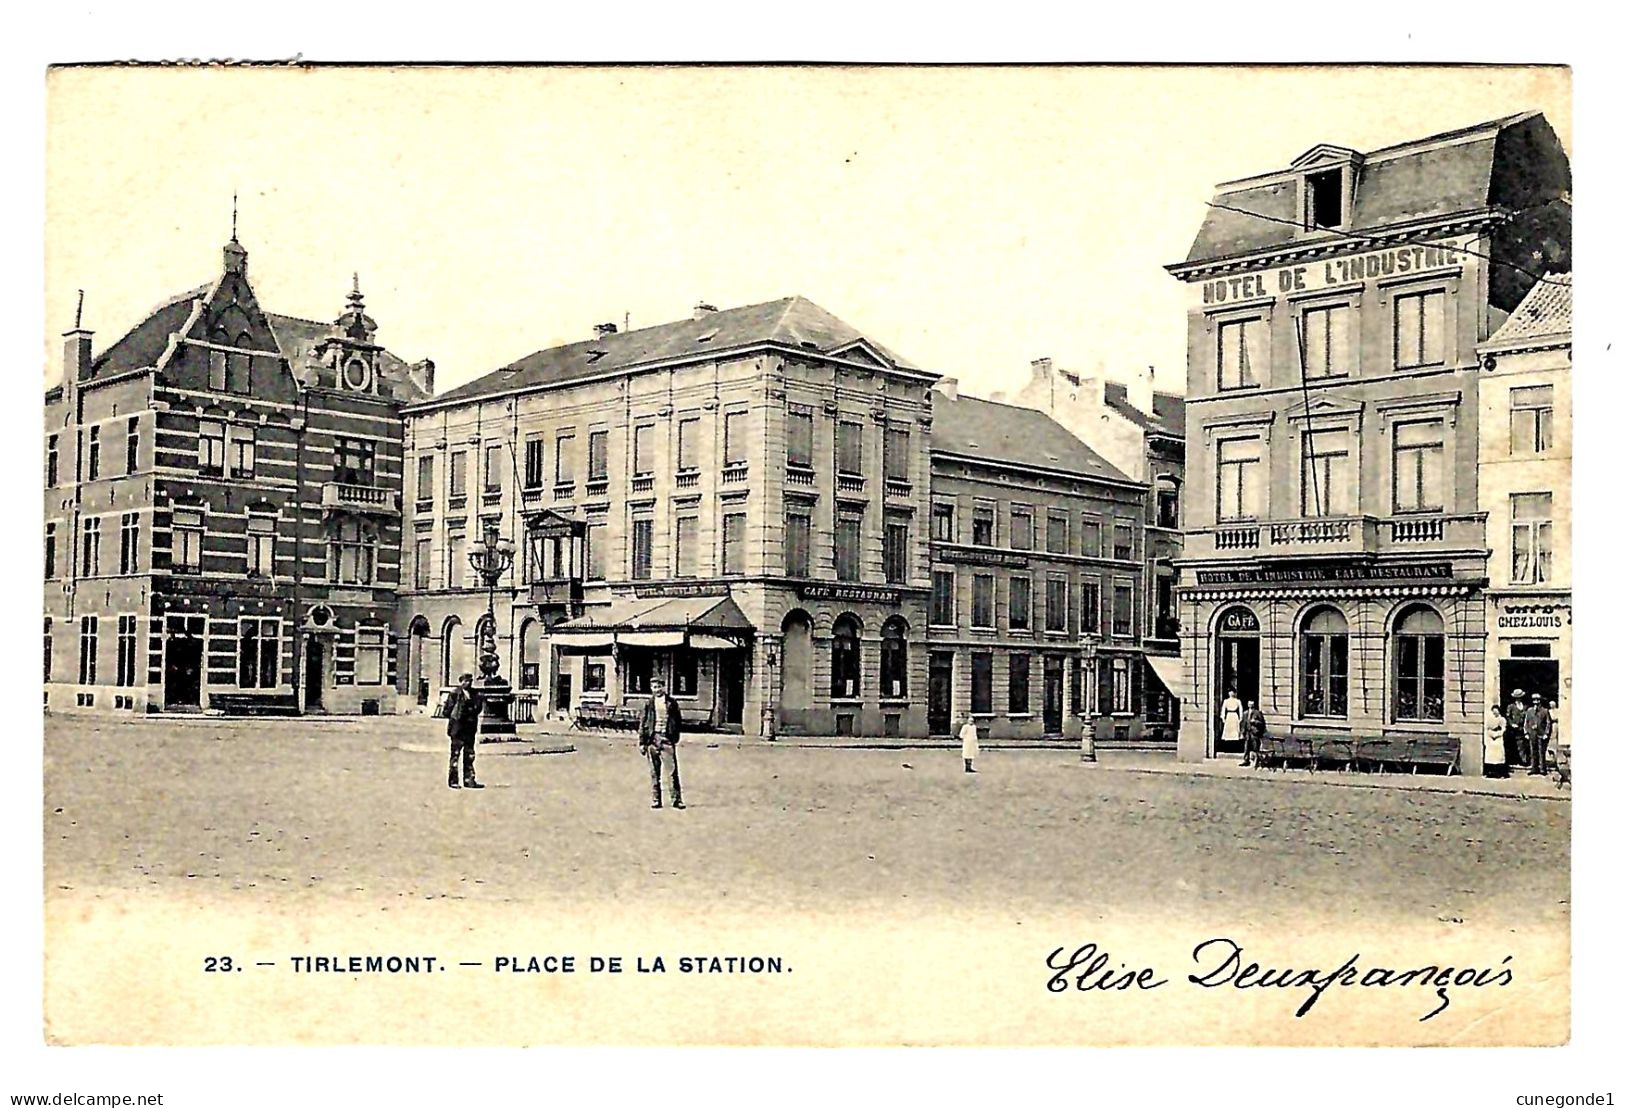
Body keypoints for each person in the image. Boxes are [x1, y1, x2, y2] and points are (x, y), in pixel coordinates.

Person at [639, 676, 685, 809]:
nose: (657, 689)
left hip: (667, 740)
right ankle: (656, 800)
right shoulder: (648, 704)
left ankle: (676, 800)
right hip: (652, 740)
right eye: (654, 687)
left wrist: (674, 737)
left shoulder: (671, 703)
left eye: (659, 686)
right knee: (654, 772)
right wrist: (642, 742)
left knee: (672, 771)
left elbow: (678, 721)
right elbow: (643, 723)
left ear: (664, 687)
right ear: (651, 688)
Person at [444, 673, 484, 789]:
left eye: (470, 681)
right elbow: (446, 711)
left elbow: (478, 707)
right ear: (460, 682)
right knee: (455, 756)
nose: (468, 683)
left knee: (469, 755)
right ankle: (453, 781)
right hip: (457, 729)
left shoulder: (474, 694)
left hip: (469, 729)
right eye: (465, 681)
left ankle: (469, 780)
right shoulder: (455, 694)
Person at [1524, 692, 1552, 777]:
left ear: (1540, 701)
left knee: (1541, 751)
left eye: (1537, 700)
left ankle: (1542, 769)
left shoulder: (1545, 711)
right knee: (1533, 751)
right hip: (1532, 733)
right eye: (1534, 700)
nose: (1536, 702)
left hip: (1541, 733)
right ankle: (1534, 768)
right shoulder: (1529, 711)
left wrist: (1546, 733)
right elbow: (1526, 722)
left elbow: (1548, 723)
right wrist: (1526, 732)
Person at [1483, 705, 1508, 779]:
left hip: (1498, 739)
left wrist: (1497, 734)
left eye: (1496, 711)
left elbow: (1503, 729)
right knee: (1490, 756)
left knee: (1499, 756)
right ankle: (1490, 773)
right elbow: (1487, 728)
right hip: (1490, 739)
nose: (1495, 713)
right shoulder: (1490, 719)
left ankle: (1500, 773)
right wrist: (1491, 734)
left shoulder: (1502, 719)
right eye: (1493, 711)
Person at [1504, 689, 1527, 768]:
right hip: (1513, 729)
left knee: (1522, 744)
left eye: (1520, 697)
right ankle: (1513, 761)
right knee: (1513, 745)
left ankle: (1523, 760)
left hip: (1521, 728)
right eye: (1517, 697)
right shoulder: (1511, 706)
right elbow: (1508, 717)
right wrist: (1511, 724)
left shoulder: (1524, 706)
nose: (1519, 699)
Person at [1242, 701, 1267, 767]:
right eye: (1249, 704)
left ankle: (1256, 761)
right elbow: (1243, 723)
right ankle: (1246, 760)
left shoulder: (1258, 713)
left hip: (1255, 733)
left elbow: (1262, 723)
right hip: (1248, 732)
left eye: (1251, 704)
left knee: (1255, 747)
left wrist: (1255, 722)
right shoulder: (1245, 713)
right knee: (1246, 747)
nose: (1250, 705)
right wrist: (1243, 732)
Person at [1219, 689, 1243, 754]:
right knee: (1228, 732)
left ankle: (1235, 748)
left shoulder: (1238, 701)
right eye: (1230, 692)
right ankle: (1227, 748)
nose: (1231, 693)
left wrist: (1240, 718)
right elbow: (1223, 709)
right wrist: (1223, 717)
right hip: (1229, 717)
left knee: (1235, 732)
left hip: (1235, 716)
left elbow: (1240, 709)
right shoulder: (1226, 701)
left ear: (1235, 693)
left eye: (1233, 692)